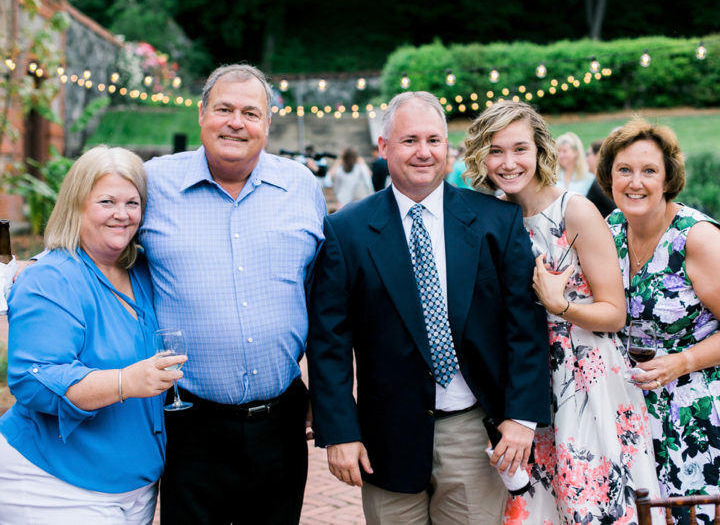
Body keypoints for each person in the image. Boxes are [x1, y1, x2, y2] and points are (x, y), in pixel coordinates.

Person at [307, 91, 550, 523]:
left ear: (448, 147)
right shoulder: (347, 230)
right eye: (410, 140)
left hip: (473, 434)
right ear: (383, 148)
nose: (424, 152)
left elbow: (525, 327)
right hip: (386, 437)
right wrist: (340, 432)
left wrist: (521, 417)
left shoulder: (496, 221)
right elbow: (330, 342)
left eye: (434, 140)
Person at [140, 64, 326, 524]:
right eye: (223, 109)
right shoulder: (151, 184)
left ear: (267, 124)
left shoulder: (301, 186)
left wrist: (327, 395)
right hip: (188, 420)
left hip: (281, 419)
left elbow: (323, 296)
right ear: (201, 114)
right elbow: (95, 239)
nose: (236, 122)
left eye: (250, 112)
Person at [463, 101, 663, 524]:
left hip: (584, 379)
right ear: (481, 155)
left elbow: (615, 314)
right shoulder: (493, 216)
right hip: (524, 383)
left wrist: (561, 306)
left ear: (540, 150)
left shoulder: (574, 210)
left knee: (590, 503)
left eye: (520, 149)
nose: (508, 162)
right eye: (496, 151)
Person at [0, 146, 183, 523]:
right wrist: (124, 381)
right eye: (107, 201)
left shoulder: (144, 271)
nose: (122, 214)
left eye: (133, 202)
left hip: (135, 487)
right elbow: (32, 380)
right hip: (54, 486)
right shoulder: (50, 278)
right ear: (76, 205)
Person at [598, 117, 720, 524]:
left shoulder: (695, 238)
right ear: (608, 177)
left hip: (703, 411)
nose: (635, 182)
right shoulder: (608, 231)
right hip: (638, 408)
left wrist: (680, 362)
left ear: (668, 179)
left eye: (649, 171)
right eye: (624, 170)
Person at [555, 131, 595, 195]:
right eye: (558, 151)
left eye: (564, 151)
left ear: (575, 152)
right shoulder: (552, 176)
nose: (561, 155)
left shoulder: (589, 178)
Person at [584, 140, 616, 218]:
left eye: (588, 154)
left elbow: (615, 209)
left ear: (598, 155)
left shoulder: (600, 183)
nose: (586, 159)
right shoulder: (601, 180)